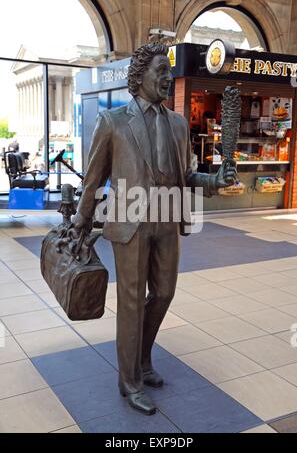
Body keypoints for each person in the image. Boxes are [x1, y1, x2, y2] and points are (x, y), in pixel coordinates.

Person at [73, 42, 236, 416]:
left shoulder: (178, 124)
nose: (167, 78)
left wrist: (214, 180)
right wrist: (82, 219)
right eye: (160, 72)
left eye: (169, 72)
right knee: (130, 303)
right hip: (129, 224)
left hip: (167, 220)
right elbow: (93, 177)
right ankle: (130, 381)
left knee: (163, 293)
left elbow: (186, 175)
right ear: (140, 77)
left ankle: (143, 360)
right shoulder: (113, 122)